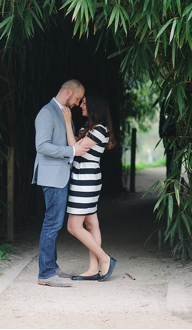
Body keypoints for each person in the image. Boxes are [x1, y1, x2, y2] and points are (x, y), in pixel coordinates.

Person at [33, 79, 88, 287]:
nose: (77, 102)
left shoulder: (64, 113)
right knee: (52, 223)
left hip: (60, 175)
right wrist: (72, 151)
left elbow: (68, 140)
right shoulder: (46, 112)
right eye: (77, 98)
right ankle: (46, 274)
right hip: (52, 176)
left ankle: (52, 268)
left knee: (53, 222)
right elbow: (42, 146)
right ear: (68, 91)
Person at [61, 90, 118, 282]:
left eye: (84, 103)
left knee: (73, 226)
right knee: (91, 223)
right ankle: (93, 269)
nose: (81, 106)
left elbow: (74, 151)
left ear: (94, 107)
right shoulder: (91, 128)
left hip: (85, 179)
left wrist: (68, 123)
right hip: (86, 177)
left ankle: (105, 259)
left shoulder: (99, 129)